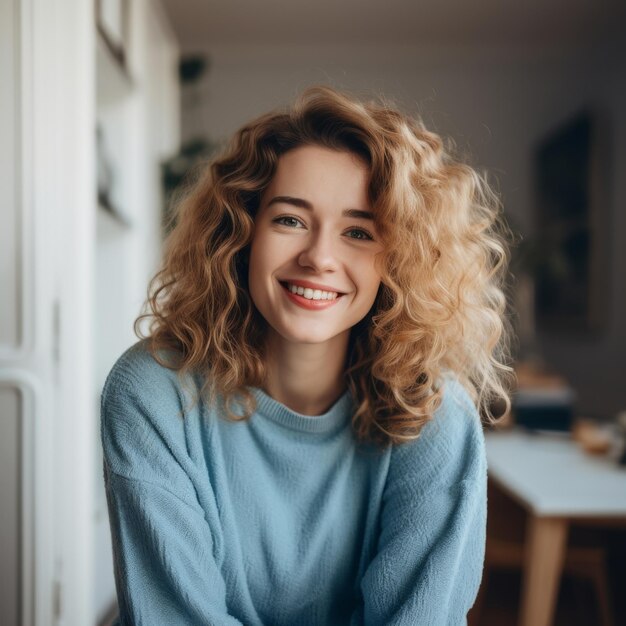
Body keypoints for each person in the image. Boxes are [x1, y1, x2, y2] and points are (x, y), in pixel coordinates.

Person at [101, 85, 512, 625]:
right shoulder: (152, 391)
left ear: (399, 260)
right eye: (290, 220)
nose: (319, 257)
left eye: (358, 231)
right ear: (242, 234)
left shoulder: (436, 415)